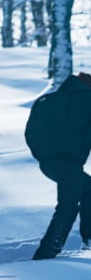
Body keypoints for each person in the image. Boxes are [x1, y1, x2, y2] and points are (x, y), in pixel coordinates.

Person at [30, 72, 91, 259]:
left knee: (88, 188)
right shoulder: (87, 101)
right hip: (69, 163)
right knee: (68, 206)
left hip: (48, 162)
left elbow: (30, 132)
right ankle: (46, 254)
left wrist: (44, 155)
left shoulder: (53, 99)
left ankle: (89, 240)